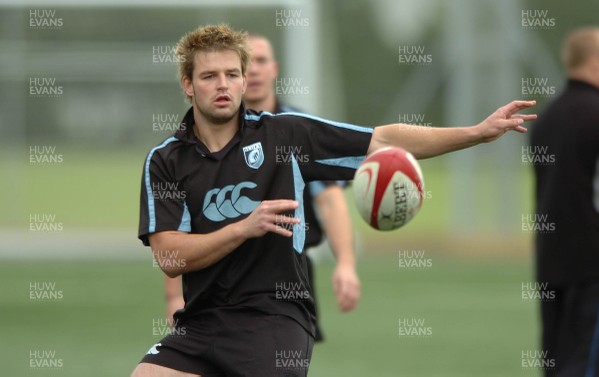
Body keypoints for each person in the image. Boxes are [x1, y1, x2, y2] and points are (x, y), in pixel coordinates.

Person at [133, 23, 535, 376]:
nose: (223, 85)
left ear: (243, 80)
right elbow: (171, 258)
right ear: (188, 84)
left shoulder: (284, 135)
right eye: (209, 76)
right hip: (202, 320)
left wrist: (477, 133)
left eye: (232, 74)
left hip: (274, 316)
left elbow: (383, 139)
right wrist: (243, 228)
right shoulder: (165, 161)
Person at [163, 33, 361, 341]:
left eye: (261, 60)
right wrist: (174, 296)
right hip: (214, 279)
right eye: (246, 63)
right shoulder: (201, 136)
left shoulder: (296, 128)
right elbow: (178, 230)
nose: (253, 70)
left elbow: (330, 199)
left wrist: (345, 264)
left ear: (274, 69)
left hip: (283, 274)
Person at [529, 26, 599, 377]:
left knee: (557, 365)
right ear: (596, 63)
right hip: (592, 266)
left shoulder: (546, 119)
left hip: (551, 263)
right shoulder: (596, 114)